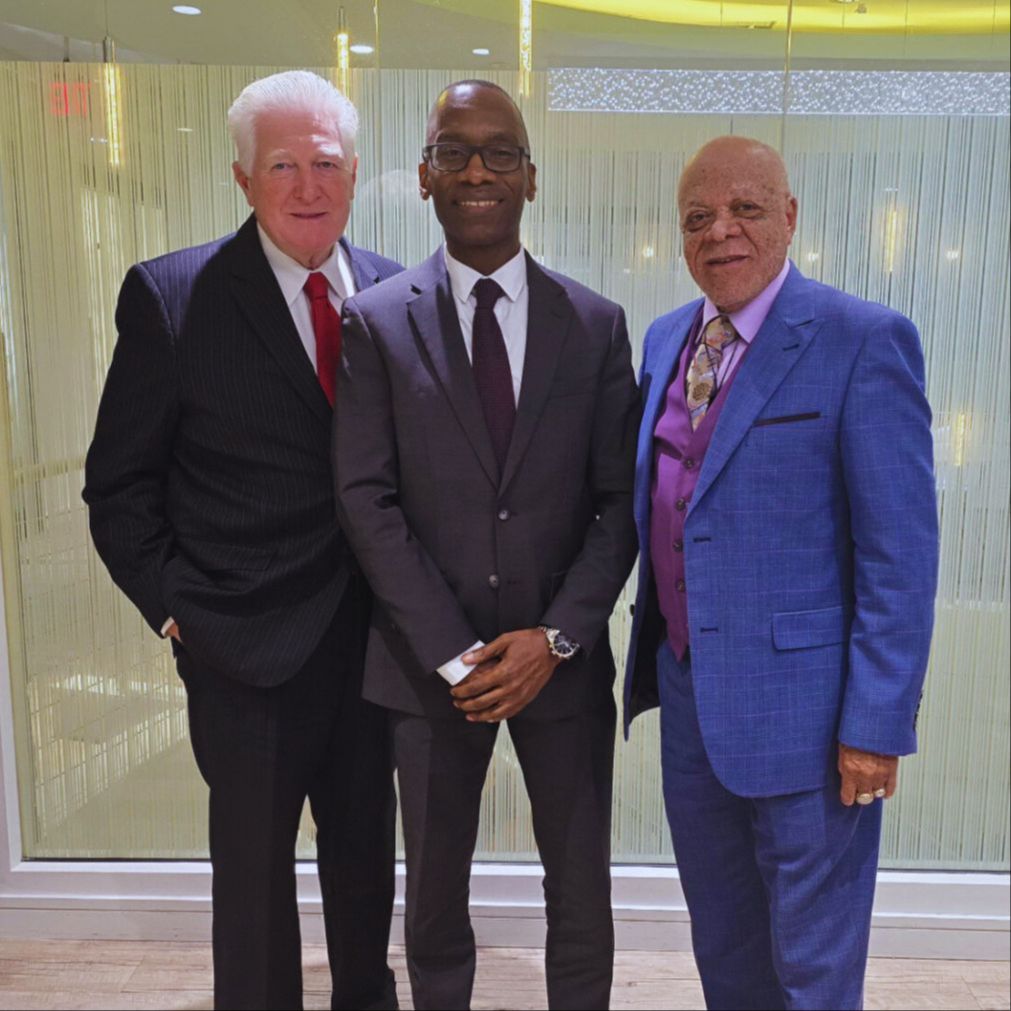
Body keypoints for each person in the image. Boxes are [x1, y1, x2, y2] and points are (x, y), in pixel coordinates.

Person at [83, 70, 402, 1011]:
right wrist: (177, 612)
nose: (308, 185)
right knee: (254, 897)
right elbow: (118, 486)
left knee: (365, 877)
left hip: (375, 650)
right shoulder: (174, 296)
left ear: (354, 174)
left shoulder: (393, 293)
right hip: (242, 648)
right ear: (242, 179)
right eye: (283, 165)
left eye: (326, 164)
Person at [333, 80, 639, 1011]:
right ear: (423, 176)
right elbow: (365, 498)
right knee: (432, 898)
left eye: (499, 152)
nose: (477, 170)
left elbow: (618, 504)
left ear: (530, 178)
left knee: (580, 894)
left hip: (562, 665)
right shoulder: (376, 323)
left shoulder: (593, 325)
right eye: (454, 152)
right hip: (429, 673)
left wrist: (553, 639)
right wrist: (455, 650)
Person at [623, 134, 938, 1010]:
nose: (720, 231)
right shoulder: (661, 342)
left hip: (812, 723)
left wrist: (876, 720)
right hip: (691, 708)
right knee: (724, 954)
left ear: (789, 216)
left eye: (744, 209)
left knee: (812, 971)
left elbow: (899, 554)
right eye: (698, 218)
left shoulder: (860, 340)